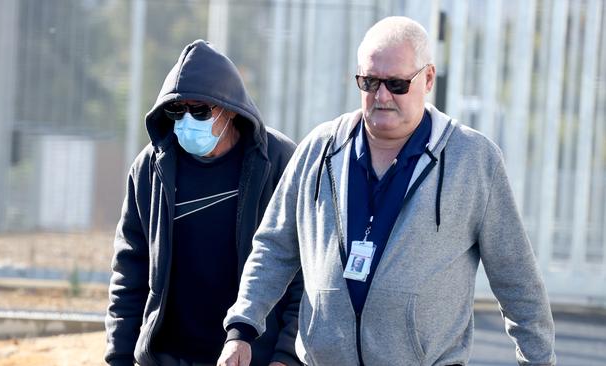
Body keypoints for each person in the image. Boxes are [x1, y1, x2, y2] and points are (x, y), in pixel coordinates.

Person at [218, 16, 555, 366]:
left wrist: (538, 359)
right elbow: (274, 246)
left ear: (427, 79)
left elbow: (517, 280)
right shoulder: (319, 149)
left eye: (396, 84)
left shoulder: (473, 160)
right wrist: (242, 328)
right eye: (369, 82)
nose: (381, 96)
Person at [104, 39, 302, 366]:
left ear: (229, 108)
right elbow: (129, 273)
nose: (186, 121)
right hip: (169, 357)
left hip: (251, 356)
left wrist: (286, 355)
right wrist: (119, 358)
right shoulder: (150, 169)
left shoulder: (279, 162)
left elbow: (303, 271)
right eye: (176, 110)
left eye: (199, 111)